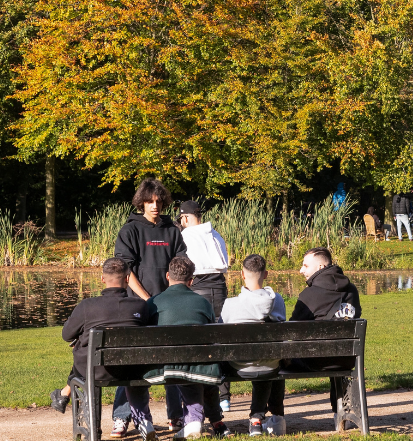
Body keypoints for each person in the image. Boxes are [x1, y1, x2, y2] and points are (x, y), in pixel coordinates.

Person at [52, 258, 159, 441]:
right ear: (127, 279)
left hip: (96, 371)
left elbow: (66, 335)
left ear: (102, 279)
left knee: (84, 351)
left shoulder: (87, 306)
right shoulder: (141, 306)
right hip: (133, 369)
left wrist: (82, 338)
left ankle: (89, 426)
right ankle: (142, 420)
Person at [111, 179, 186, 436]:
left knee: (172, 361)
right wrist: (147, 299)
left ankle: (176, 417)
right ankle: (122, 418)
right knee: (134, 363)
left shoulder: (172, 230)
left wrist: (177, 294)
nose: (155, 206)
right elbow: (125, 269)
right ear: (141, 201)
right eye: (150, 201)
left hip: (169, 305)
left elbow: (182, 265)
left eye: (159, 201)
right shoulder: (130, 229)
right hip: (138, 305)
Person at [144, 257, 223, 439]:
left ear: (167, 276)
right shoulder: (203, 303)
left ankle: (149, 421)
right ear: (191, 280)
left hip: (161, 367)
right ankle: (195, 420)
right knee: (191, 363)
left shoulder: (153, 303)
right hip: (200, 366)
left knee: (176, 362)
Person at [219, 254, 287, 437]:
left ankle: (215, 416)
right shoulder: (278, 300)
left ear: (242, 274)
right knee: (266, 361)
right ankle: (257, 420)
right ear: (265, 274)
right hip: (269, 365)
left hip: (238, 365)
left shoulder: (230, 304)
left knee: (254, 359)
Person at [288, 247, 362, 416]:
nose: (301, 270)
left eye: (305, 266)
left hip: (314, 361)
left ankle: (276, 418)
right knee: (335, 347)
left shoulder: (309, 295)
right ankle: (340, 413)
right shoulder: (352, 290)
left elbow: (291, 330)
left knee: (276, 361)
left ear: (320, 268)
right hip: (347, 359)